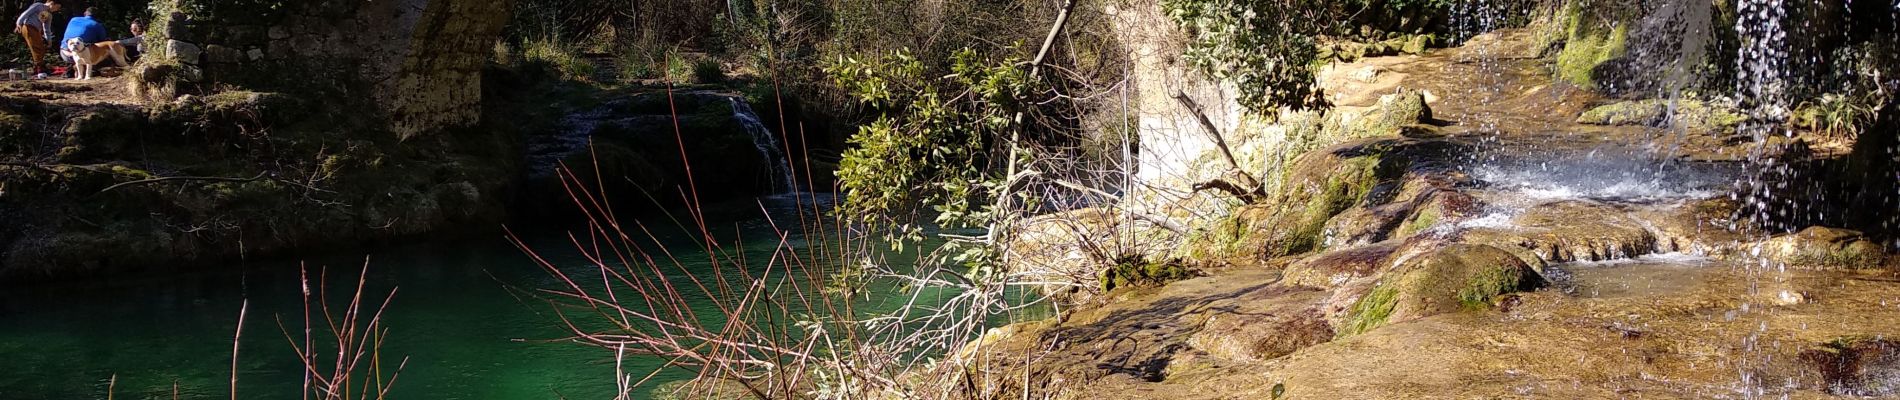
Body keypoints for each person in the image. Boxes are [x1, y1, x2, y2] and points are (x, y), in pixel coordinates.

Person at [13, 0, 60, 79]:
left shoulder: (49, 15)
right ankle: (40, 69)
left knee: (41, 48)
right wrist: (18, 23)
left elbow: (46, 29)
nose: (57, 10)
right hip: (28, 26)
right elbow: (26, 14)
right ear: (52, 3)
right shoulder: (38, 6)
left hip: (36, 30)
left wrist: (49, 40)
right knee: (37, 48)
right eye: (57, 7)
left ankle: (37, 68)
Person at [58, 6, 105, 77]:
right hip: (83, 54)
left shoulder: (73, 19)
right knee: (95, 48)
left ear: (85, 13)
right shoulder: (96, 25)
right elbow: (102, 40)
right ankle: (84, 68)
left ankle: (74, 67)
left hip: (64, 52)